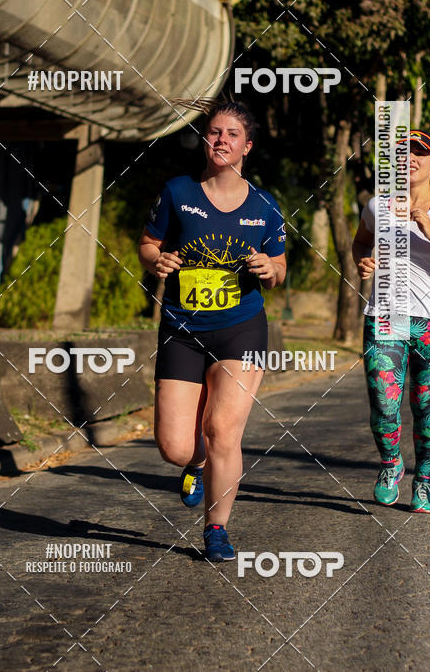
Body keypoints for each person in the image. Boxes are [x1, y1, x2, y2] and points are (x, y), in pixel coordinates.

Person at [138, 101, 286, 561]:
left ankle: (217, 529)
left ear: (247, 146)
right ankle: (195, 464)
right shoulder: (178, 192)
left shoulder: (264, 205)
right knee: (175, 446)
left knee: (223, 429)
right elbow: (148, 243)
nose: (220, 139)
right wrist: (156, 259)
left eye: (231, 134)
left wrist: (270, 268)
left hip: (240, 327)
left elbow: (281, 265)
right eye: (214, 132)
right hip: (182, 328)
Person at [352, 130, 430, 513]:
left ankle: (423, 478)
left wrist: (429, 230)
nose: (409, 158)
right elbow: (360, 241)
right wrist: (363, 260)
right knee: (383, 406)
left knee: (425, 408)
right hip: (386, 317)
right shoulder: (377, 206)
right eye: (401, 152)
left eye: (419, 153)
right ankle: (392, 465)